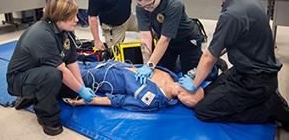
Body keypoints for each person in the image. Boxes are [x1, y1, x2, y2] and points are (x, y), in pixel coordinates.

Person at [179, 0, 289, 131]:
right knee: (207, 93)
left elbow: (209, 57)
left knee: (203, 110)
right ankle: (265, 98)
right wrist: (199, 75)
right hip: (244, 71)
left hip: (255, 81)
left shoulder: (233, 12)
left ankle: (269, 108)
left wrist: (193, 86)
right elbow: (222, 45)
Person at [6, 0, 95, 136]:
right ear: (59, 17)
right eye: (72, 16)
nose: (77, 19)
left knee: (73, 88)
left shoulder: (66, 31)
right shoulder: (41, 34)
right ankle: (46, 117)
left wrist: (81, 87)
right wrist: (81, 90)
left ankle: (35, 94)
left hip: (38, 72)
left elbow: (71, 61)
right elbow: (61, 70)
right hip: (19, 79)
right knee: (52, 75)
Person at [133, 0, 221, 85]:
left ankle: (214, 67)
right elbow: (145, 36)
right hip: (169, 42)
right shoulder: (142, 5)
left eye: (149, 6)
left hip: (188, 40)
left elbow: (165, 39)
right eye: (143, 6)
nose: (146, 10)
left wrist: (150, 64)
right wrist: (147, 64)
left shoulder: (173, 3)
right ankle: (179, 62)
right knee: (163, 71)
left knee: (192, 76)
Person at [63, 61, 205, 111]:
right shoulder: (172, 75)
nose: (192, 82)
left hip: (103, 77)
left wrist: (89, 100)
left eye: (193, 87)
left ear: (184, 96)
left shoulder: (153, 100)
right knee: (70, 60)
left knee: (61, 72)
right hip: (113, 64)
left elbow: (120, 101)